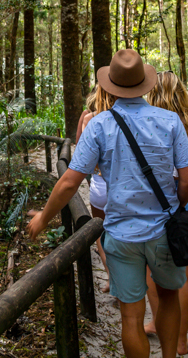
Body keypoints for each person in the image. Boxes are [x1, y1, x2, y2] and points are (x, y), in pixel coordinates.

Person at [27, 49, 188, 358]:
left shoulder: (99, 125)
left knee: (131, 317)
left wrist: (43, 218)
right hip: (163, 230)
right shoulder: (170, 121)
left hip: (121, 233)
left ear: (110, 86)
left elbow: (68, 182)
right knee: (169, 298)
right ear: (145, 83)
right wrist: (176, 207)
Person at [143, 71, 188, 355]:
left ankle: (160, 324)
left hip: (154, 199)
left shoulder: (145, 123)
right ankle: (181, 340)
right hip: (187, 196)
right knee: (185, 274)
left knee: (152, 270)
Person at [76, 84, 117, 293]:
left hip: (100, 183)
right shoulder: (126, 116)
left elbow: (81, 154)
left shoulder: (89, 119)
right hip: (123, 185)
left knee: (101, 232)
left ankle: (111, 277)